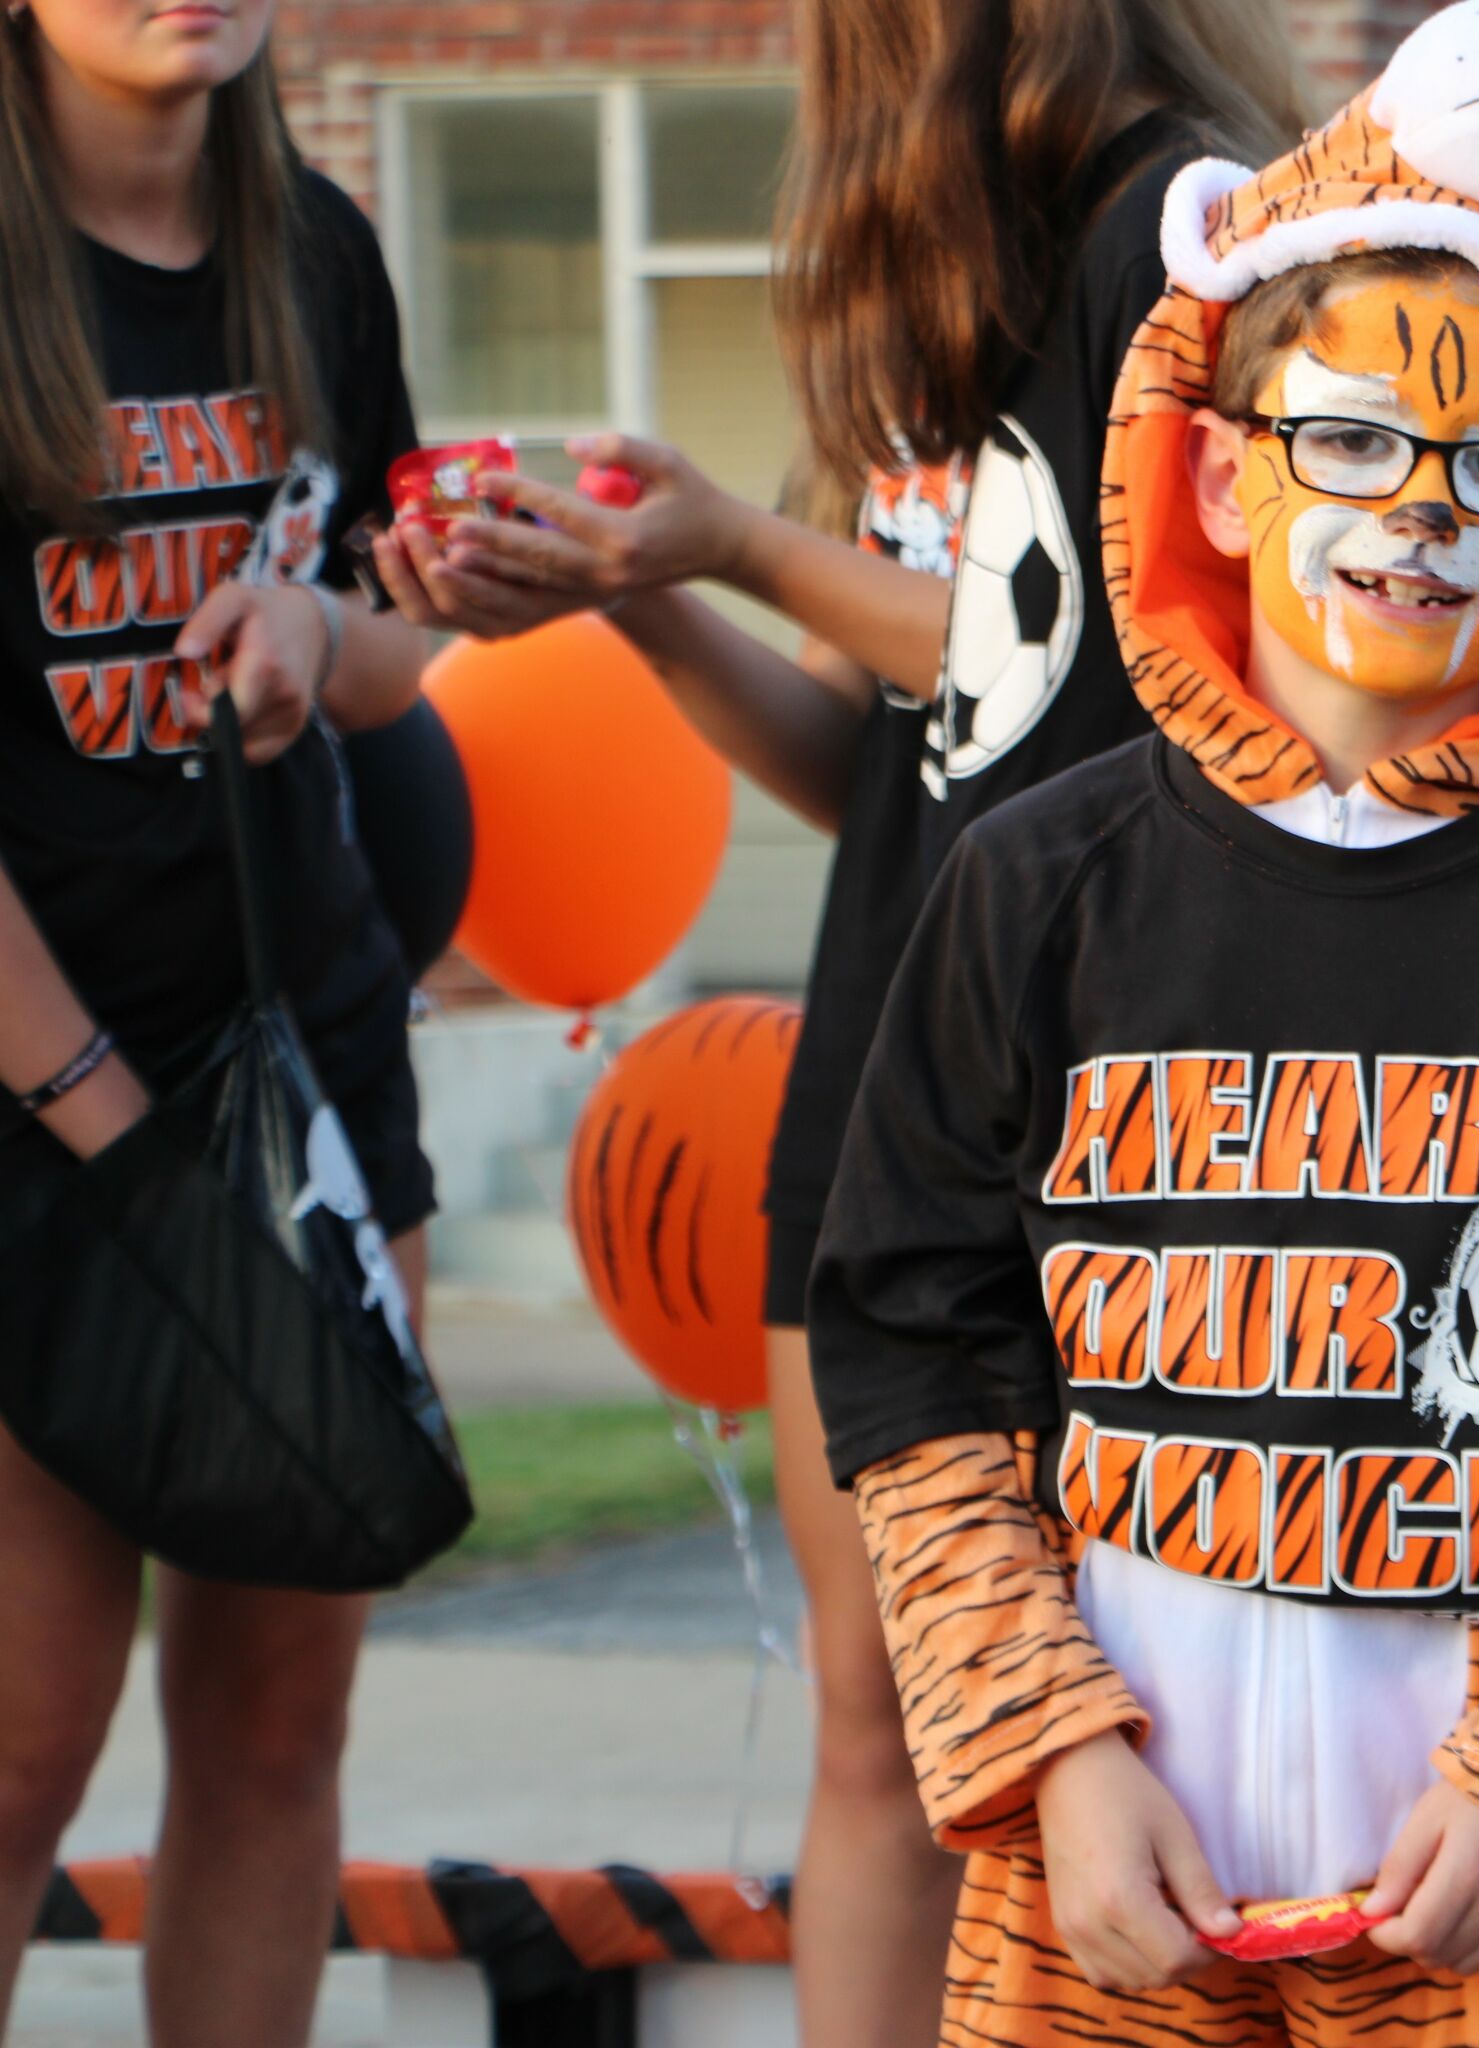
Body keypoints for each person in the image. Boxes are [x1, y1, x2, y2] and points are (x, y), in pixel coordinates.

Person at [805, 2, 1479, 2041]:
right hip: (1102, 1885)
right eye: (1353, 439)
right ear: (1213, 472)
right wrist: (1052, 1764)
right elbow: (912, 1367)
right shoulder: (1032, 889)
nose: (1416, 511)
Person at [373, 2, 1308, 2040]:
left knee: (1130, 1733)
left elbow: (1115, 670)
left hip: (1113, 1118)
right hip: (882, 1081)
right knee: (885, 1720)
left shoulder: (1180, 231)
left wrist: (731, 531)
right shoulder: (957, 290)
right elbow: (906, 759)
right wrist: (643, 585)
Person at [0, 2, 433, 2040]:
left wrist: (322, 629)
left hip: (304, 1072)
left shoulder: (315, 242)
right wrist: (107, 1126)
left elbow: (393, 632)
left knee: (274, 1740)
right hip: (40, 1099)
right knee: (15, 1749)